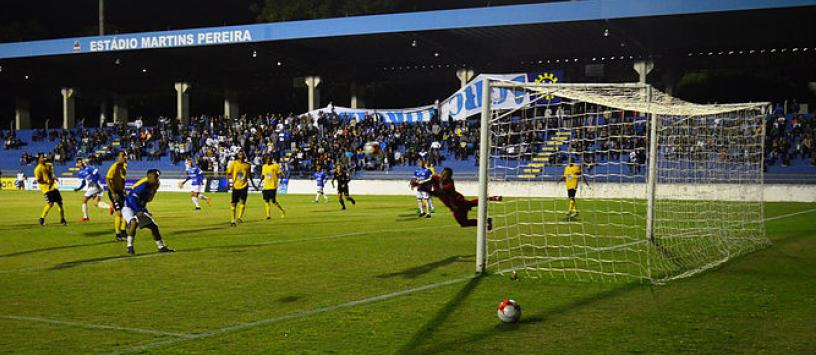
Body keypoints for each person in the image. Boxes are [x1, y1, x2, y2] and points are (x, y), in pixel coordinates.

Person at [415, 167, 500, 228]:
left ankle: (493, 198)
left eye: (445, 175)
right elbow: (428, 181)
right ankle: (486, 221)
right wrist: (419, 183)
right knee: (464, 223)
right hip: (453, 205)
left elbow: (439, 193)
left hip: (457, 202)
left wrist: (425, 189)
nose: (443, 175)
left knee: (472, 204)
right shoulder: (436, 178)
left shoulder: (450, 184)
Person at [122, 169, 174, 255]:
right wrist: (138, 211)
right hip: (128, 207)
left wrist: (145, 210)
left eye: (158, 177)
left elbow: (146, 200)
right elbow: (132, 198)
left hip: (139, 208)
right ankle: (129, 246)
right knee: (134, 222)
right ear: (149, 177)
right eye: (155, 177)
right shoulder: (143, 186)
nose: (157, 179)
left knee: (154, 226)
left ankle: (161, 247)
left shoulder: (152, 187)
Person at [226, 151, 258, 227]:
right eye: (240, 154)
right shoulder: (233, 163)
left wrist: (253, 185)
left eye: (243, 154)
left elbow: (249, 176)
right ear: (237, 155)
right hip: (235, 186)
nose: (241, 155)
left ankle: (239, 218)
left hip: (244, 186)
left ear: (244, 156)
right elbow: (228, 173)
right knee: (233, 204)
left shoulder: (247, 165)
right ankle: (232, 221)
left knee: (242, 203)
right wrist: (228, 183)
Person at [34, 156, 67, 226]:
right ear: (39, 160)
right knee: (50, 204)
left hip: (53, 187)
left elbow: (52, 173)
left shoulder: (49, 165)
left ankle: (62, 219)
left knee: (60, 203)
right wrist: (47, 182)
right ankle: (42, 218)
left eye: (44, 157)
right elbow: (39, 180)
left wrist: (54, 177)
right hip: (45, 188)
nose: (44, 158)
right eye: (42, 158)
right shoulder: (37, 169)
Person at [106, 151, 128, 241]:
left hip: (121, 191)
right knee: (119, 213)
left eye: (125, 156)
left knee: (126, 210)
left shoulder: (124, 167)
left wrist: (123, 189)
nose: (125, 157)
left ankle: (123, 231)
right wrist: (113, 193)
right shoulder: (114, 166)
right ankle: (117, 234)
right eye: (122, 156)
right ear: (118, 157)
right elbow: (107, 179)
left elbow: (123, 179)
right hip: (114, 192)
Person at [260, 154, 286, 220]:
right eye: (267, 159)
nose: (268, 160)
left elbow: (281, 174)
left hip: (273, 186)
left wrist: (282, 177)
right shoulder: (264, 166)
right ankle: (268, 215)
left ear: (271, 159)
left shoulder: (275, 166)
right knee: (266, 201)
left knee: (273, 201)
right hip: (266, 186)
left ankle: (282, 210)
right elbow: (263, 176)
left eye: (269, 159)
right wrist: (259, 183)